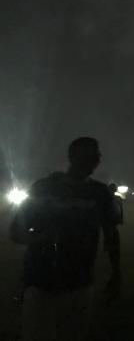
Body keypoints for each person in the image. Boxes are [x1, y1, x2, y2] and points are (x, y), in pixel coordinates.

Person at [9, 137, 121, 341]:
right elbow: (15, 231)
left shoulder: (99, 192)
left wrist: (117, 271)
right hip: (42, 280)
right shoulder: (45, 188)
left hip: (79, 281)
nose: (98, 158)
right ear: (73, 157)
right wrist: (41, 238)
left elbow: (112, 233)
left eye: (97, 155)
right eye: (92, 154)